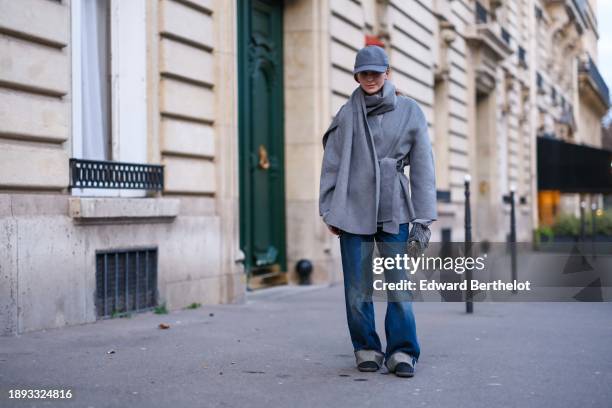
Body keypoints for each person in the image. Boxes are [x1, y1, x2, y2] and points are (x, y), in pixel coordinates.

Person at [319, 46, 437, 378]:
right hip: (353, 205)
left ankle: (402, 351)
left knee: (398, 284)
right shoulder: (347, 112)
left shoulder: (410, 110)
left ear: (387, 73)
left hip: (394, 206)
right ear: (357, 76)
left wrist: (423, 219)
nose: (370, 79)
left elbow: (424, 168)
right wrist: (329, 207)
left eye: (375, 72)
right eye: (363, 73)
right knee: (357, 287)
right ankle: (366, 346)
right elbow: (332, 162)